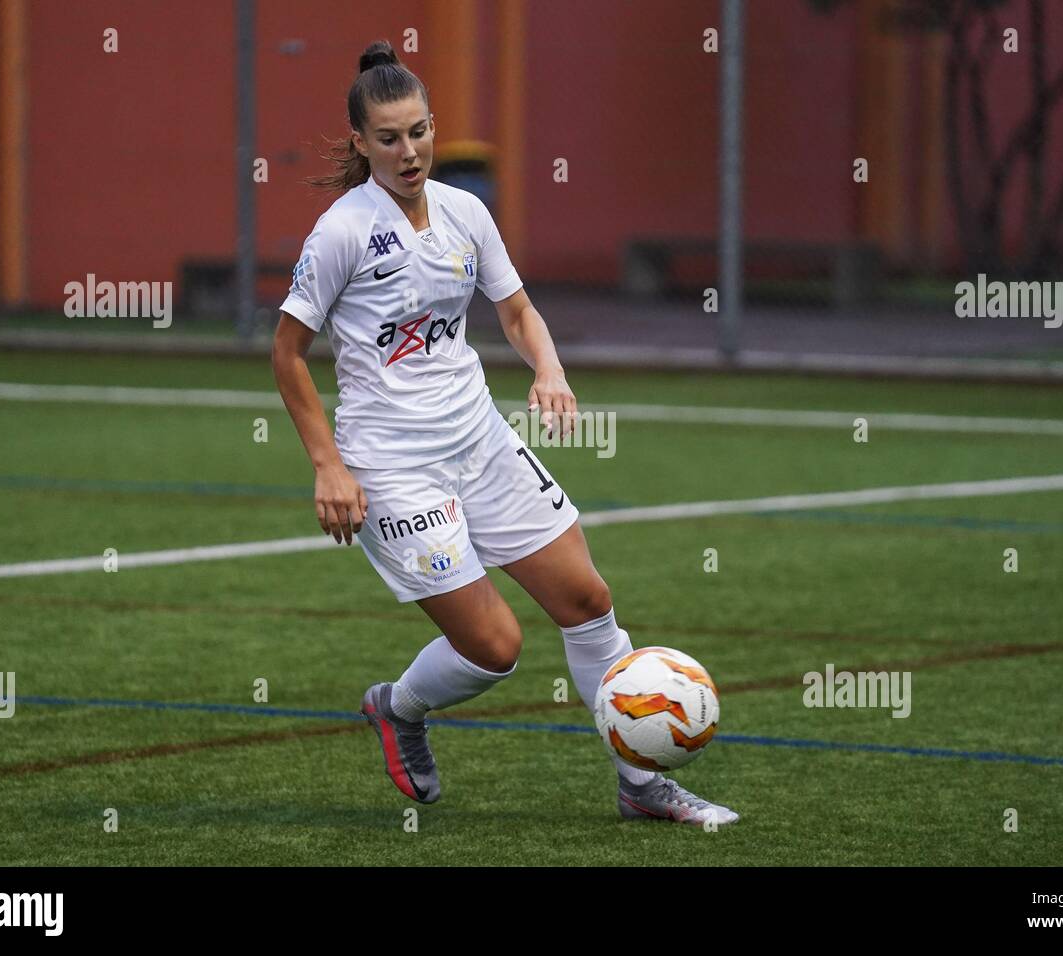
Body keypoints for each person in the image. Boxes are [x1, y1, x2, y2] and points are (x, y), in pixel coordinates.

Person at [271, 40, 737, 826]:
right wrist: (329, 467)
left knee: (588, 599)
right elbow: (287, 354)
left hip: (481, 441)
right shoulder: (341, 234)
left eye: (418, 131)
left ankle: (642, 786)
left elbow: (516, 310)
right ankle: (400, 709)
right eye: (388, 138)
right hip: (393, 466)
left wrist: (548, 370)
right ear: (360, 144)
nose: (408, 151)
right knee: (495, 647)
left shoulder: (465, 213)